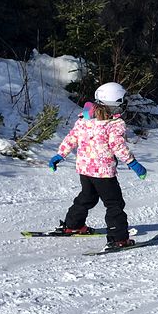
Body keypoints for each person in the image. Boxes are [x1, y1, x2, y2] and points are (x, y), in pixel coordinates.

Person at [48, 81, 147, 248]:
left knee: (87, 197)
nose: (124, 106)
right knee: (114, 204)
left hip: (85, 170)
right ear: (114, 104)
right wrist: (133, 163)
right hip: (103, 173)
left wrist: (60, 154)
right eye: (122, 103)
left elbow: (71, 138)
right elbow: (118, 146)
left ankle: (73, 225)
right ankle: (119, 238)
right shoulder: (115, 124)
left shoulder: (84, 119)